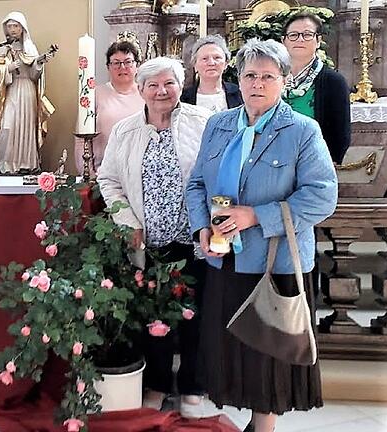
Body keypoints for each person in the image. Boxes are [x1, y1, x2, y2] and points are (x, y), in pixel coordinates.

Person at [185, 38, 337, 432]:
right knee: (232, 352)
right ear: (239, 78)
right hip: (226, 256)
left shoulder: (303, 130)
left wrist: (257, 216)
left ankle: (264, 425)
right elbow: (197, 184)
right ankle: (251, 421)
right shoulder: (218, 125)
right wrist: (202, 224)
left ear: (284, 81)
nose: (257, 83)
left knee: (268, 356)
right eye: (250, 75)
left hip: (277, 262)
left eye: (268, 76)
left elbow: (322, 196)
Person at [96, 57, 211, 418]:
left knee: (195, 315)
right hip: (149, 243)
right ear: (142, 90)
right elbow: (109, 180)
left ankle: (192, 385)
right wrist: (127, 220)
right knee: (153, 317)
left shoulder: (203, 123)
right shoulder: (126, 130)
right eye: (153, 85)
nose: (162, 91)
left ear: (181, 85)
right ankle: (159, 384)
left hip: (193, 239)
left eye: (169, 83)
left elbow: (217, 174)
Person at [0, 11, 55, 173]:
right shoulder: (3, 49)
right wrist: (7, 68)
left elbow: (34, 75)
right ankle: (5, 166)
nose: (13, 29)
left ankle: (27, 164)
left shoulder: (30, 48)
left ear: (22, 28)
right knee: (7, 126)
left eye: (15, 26)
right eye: (9, 26)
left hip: (27, 91)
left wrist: (39, 63)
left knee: (26, 127)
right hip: (11, 90)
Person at [281, 12, 350, 164]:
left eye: (307, 34)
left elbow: (341, 135)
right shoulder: (273, 76)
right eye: (293, 35)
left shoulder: (333, 81)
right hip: (273, 162)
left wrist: (325, 166)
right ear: (284, 41)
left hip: (314, 163)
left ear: (318, 40)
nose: (300, 39)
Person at [73, 40, 145, 173]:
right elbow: (81, 140)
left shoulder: (146, 95)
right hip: (104, 173)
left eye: (128, 62)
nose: (122, 67)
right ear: (108, 67)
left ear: (137, 66)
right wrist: (88, 174)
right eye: (116, 63)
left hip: (141, 172)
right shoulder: (94, 95)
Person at [181, 35, 243, 113]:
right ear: (195, 65)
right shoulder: (183, 98)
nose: (211, 63)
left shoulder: (240, 94)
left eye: (217, 58)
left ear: (226, 63)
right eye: (205, 59)